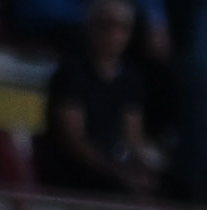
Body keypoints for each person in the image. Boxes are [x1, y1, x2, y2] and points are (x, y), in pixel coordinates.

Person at [32, 0, 175, 194]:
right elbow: (74, 140)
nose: (114, 34)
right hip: (75, 169)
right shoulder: (71, 73)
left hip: (114, 163)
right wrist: (117, 171)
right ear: (91, 26)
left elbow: (133, 138)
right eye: (107, 24)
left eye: (123, 28)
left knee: (170, 185)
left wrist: (146, 166)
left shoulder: (130, 79)